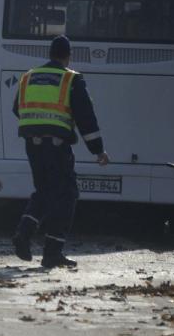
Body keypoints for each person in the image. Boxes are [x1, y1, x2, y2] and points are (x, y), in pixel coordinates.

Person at [10, 35, 110, 268]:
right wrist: (98, 151)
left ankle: (23, 233)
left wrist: (39, 124)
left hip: (32, 144)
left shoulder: (28, 76)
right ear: (68, 56)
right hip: (56, 146)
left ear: (50, 53)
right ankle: (52, 252)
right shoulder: (71, 79)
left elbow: (18, 108)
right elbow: (86, 118)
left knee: (44, 191)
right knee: (66, 195)